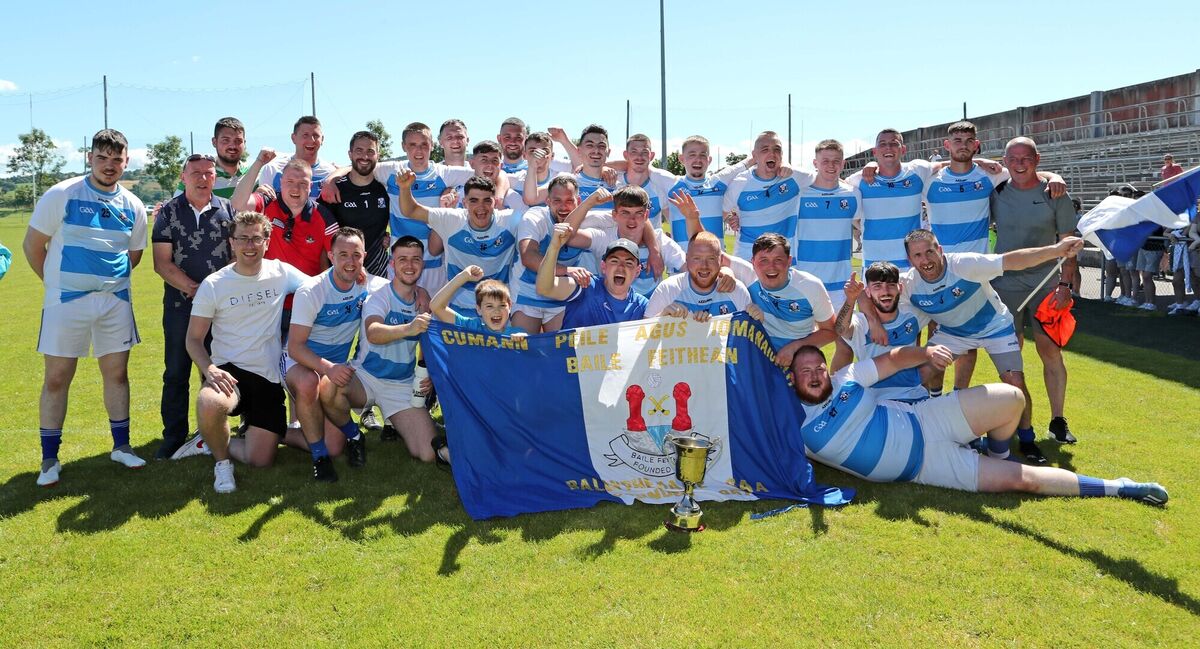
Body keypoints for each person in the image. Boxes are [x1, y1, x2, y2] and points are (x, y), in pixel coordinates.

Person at [789, 344, 1168, 505]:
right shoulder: (793, 425)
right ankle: (1122, 488)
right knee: (1023, 480)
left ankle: (996, 449)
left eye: (818, 367)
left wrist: (926, 353)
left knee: (1012, 398)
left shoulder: (847, 378)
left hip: (927, 420)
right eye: (805, 371)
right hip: (926, 468)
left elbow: (891, 359)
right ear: (793, 380)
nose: (815, 374)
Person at [24, 128, 149, 486]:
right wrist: (58, 285)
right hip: (67, 301)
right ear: (89, 158)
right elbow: (34, 246)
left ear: (126, 162)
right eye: (102, 158)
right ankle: (49, 459)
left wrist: (106, 282)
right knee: (58, 378)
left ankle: (121, 446)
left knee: (117, 375)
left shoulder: (134, 205)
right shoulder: (62, 194)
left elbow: (134, 254)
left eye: (116, 159)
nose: (109, 166)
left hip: (115, 302)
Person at [900, 229, 1084, 465]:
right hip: (953, 333)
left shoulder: (965, 264)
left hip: (994, 326)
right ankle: (927, 427)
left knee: (1015, 383)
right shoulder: (908, 286)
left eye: (930, 251)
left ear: (940, 250)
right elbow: (886, 306)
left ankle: (1027, 439)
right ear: (910, 260)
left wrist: (1055, 250)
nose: (925, 260)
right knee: (923, 372)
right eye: (918, 255)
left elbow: (1012, 260)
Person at [187, 211, 310, 493]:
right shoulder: (214, 284)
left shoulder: (281, 272)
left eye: (256, 238)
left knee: (261, 460)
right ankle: (222, 465)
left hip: (267, 379)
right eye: (242, 238)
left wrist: (365, 280)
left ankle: (210, 440)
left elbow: (319, 286)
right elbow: (193, 339)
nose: (250, 245)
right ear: (232, 242)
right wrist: (210, 369)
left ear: (267, 241)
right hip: (230, 372)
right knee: (209, 403)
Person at [990, 137, 1080, 445]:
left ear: (1037, 159)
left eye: (1025, 157)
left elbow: (1069, 245)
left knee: (1049, 351)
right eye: (1012, 158)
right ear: (1004, 161)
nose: (1018, 163)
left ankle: (1058, 420)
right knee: (1010, 357)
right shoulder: (997, 192)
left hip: (1046, 285)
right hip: (1005, 285)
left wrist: (1065, 285)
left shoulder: (1055, 193)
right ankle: (1019, 418)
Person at [319, 236, 437, 463]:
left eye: (415, 260)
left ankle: (394, 421)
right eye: (402, 259)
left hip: (401, 384)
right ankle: (354, 435)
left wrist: (429, 374)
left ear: (423, 264)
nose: (409, 266)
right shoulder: (379, 294)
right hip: (365, 378)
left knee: (428, 453)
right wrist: (408, 328)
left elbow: (429, 345)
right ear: (392, 263)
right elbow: (373, 331)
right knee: (329, 385)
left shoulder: (424, 299)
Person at [282, 227, 387, 479]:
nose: (350, 262)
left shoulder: (368, 285)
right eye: (343, 255)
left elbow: (402, 288)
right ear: (330, 256)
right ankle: (320, 459)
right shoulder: (312, 290)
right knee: (309, 383)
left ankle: (277, 431)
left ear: (364, 257)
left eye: (356, 255)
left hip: (334, 369)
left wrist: (422, 295)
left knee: (335, 446)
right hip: (300, 361)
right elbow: (296, 346)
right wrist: (328, 368)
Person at [151, 153, 236, 459]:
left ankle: (210, 433)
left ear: (215, 177)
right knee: (176, 372)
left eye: (209, 173)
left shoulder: (228, 210)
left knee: (214, 371)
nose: (203, 178)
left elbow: (235, 257)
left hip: (220, 310)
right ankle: (173, 436)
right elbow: (161, 263)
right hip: (180, 306)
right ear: (183, 176)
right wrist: (195, 289)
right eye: (196, 173)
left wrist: (215, 294)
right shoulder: (169, 213)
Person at [396, 172, 520, 317]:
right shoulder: (452, 219)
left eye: (487, 200)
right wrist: (404, 188)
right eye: (474, 200)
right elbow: (411, 210)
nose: (481, 207)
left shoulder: (511, 220)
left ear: (495, 202)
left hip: (496, 312)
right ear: (464, 202)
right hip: (455, 311)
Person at [511, 176, 597, 333]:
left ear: (578, 201)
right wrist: (566, 270)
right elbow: (528, 257)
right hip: (527, 294)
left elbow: (625, 217)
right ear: (547, 201)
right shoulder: (535, 218)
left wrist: (653, 249)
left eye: (569, 201)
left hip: (560, 296)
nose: (564, 207)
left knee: (563, 352)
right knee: (522, 351)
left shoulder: (587, 219)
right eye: (557, 201)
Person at [837, 264, 931, 403]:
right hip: (875, 401)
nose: (885, 291)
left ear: (900, 288)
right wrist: (851, 299)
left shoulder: (913, 315)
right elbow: (841, 329)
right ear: (868, 292)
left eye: (891, 285)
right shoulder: (861, 323)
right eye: (877, 286)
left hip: (913, 396)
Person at [845, 129, 935, 270]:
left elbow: (943, 165)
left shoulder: (917, 171)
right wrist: (862, 226)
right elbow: (835, 190)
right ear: (875, 152)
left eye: (894, 143)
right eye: (882, 144)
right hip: (874, 267)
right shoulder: (857, 180)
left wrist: (978, 161)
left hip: (911, 266)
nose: (888, 147)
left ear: (903, 149)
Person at [721, 131, 815, 260]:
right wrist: (731, 218)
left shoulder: (794, 177)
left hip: (783, 260)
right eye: (765, 150)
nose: (772, 154)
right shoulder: (740, 183)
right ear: (755, 155)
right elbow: (721, 212)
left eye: (777, 149)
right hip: (748, 260)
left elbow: (827, 179)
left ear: (782, 155)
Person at [536, 226, 649, 328]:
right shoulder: (586, 285)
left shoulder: (642, 306)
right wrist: (554, 248)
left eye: (629, 263)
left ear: (637, 271)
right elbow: (544, 288)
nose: (621, 268)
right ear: (603, 267)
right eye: (614, 261)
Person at [319, 131, 392, 276]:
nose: (365, 156)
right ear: (350, 154)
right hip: (342, 275)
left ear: (378, 155)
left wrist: (390, 237)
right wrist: (326, 278)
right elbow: (322, 240)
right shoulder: (334, 190)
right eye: (359, 150)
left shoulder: (386, 189)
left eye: (370, 151)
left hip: (378, 274)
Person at [645, 231, 755, 320]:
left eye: (711, 258)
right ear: (687, 259)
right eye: (697, 258)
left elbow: (749, 339)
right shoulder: (668, 289)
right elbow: (641, 336)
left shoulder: (737, 290)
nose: (704, 266)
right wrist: (661, 317)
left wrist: (756, 317)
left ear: (721, 260)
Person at [173, 117, 258, 200]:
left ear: (244, 143)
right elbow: (174, 209)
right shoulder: (197, 176)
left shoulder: (254, 174)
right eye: (226, 140)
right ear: (214, 142)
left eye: (238, 141)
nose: (232, 146)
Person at [256, 116, 337, 198]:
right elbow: (262, 204)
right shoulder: (273, 169)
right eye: (305, 135)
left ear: (322, 139)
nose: (311, 140)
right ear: (293, 138)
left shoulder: (331, 174)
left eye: (316, 135)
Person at [431, 265, 524, 335]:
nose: (496, 311)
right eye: (489, 306)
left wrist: (525, 341)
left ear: (510, 306)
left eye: (502, 305)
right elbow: (435, 306)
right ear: (478, 309)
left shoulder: (516, 335)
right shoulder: (471, 328)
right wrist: (463, 277)